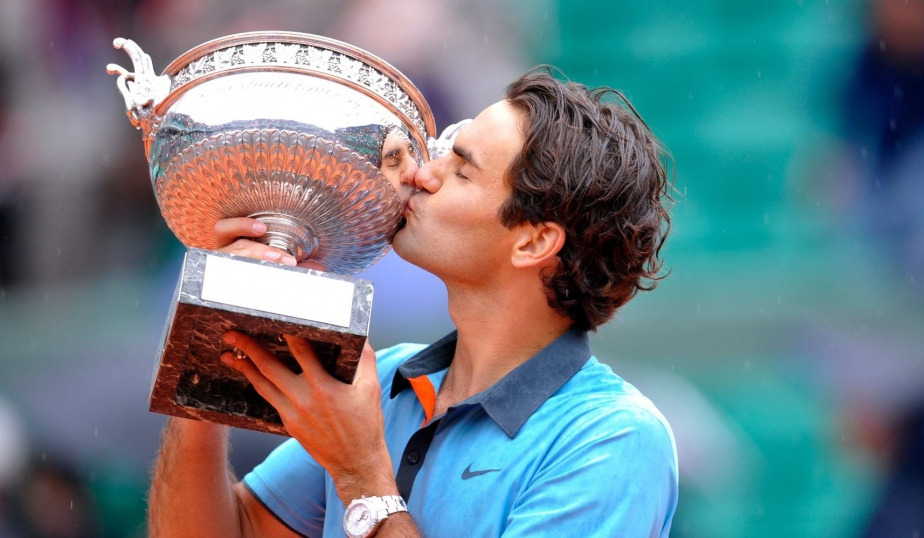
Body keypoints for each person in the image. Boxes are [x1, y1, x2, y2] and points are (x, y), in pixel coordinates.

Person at [147, 68, 678, 537]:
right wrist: (215, 336)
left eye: (461, 169)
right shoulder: (392, 381)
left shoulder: (614, 438)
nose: (422, 174)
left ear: (534, 242)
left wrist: (361, 473)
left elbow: (360, 473)